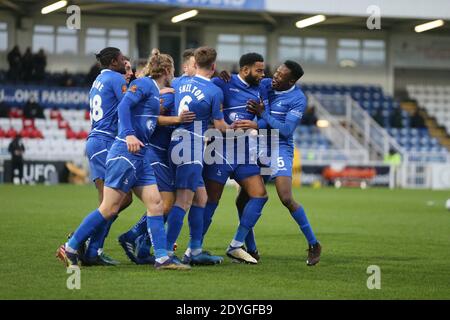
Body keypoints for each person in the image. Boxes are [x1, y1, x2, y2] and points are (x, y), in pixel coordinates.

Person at [57, 49, 190, 271]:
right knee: (109, 207)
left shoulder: (146, 87)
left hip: (140, 154)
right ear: (167, 71)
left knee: (156, 204)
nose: (173, 75)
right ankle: (71, 247)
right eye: (172, 70)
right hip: (123, 149)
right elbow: (124, 105)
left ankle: (161, 259)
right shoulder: (145, 84)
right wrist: (128, 133)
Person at [117, 49, 197, 264]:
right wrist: (177, 120)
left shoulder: (176, 88)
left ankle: (143, 246)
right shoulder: (167, 93)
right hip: (153, 150)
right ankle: (132, 237)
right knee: (166, 204)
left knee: (165, 204)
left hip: (166, 154)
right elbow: (154, 117)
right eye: (190, 66)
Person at [244, 60, 322, 266]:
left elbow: (286, 130)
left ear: (292, 81)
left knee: (286, 197)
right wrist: (225, 77)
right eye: (276, 73)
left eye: (280, 76)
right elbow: (243, 82)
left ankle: (314, 244)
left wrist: (263, 114)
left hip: (280, 147)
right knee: (244, 199)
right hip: (261, 145)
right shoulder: (266, 84)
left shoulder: (298, 99)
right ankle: (249, 249)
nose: (274, 78)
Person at [160, 46, 229, 266]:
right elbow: (220, 126)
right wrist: (241, 128)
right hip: (191, 146)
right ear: (214, 67)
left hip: (175, 142)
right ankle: (167, 254)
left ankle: (195, 250)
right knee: (184, 200)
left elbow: (164, 91)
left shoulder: (179, 82)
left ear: (195, 64)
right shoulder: (214, 91)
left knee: (201, 198)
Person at [201, 52, 269, 265]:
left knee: (260, 195)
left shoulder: (262, 88)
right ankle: (194, 247)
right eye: (259, 70)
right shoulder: (222, 82)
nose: (262, 74)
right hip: (220, 149)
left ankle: (236, 245)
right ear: (245, 69)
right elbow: (202, 95)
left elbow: (270, 114)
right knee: (211, 201)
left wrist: (259, 117)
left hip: (244, 153)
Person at [76, 47, 132, 266]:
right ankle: (81, 238)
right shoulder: (116, 79)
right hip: (105, 142)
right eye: (121, 60)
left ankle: (92, 250)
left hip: (96, 142)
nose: (124, 63)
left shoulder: (99, 80)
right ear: (113, 62)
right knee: (118, 200)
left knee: (109, 203)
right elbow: (130, 104)